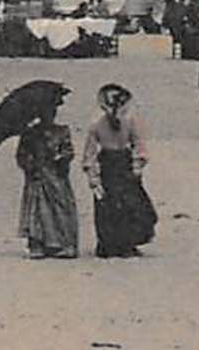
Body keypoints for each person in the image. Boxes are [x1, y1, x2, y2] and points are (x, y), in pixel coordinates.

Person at [83, 84, 157, 258]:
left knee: (117, 204)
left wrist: (92, 176)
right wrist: (137, 167)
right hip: (117, 165)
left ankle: (116, 244)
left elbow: (89, 154)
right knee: (118, 204)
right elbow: (139, 147)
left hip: (115, 165)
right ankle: (118, 244)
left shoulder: (102, 123)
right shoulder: (126, 121)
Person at [16, 93, 79, 258]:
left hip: (56, 175)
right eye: (45, 112)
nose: (49, 115)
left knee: (60, 207)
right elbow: (21, 155)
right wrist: (30, 164)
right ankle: (38, 243)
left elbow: (68, 150)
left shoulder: (62, 131)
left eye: (52, 112)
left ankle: (64, 243)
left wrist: (63, 158)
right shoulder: (30, 134)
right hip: (37, 175)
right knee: (36, 210)